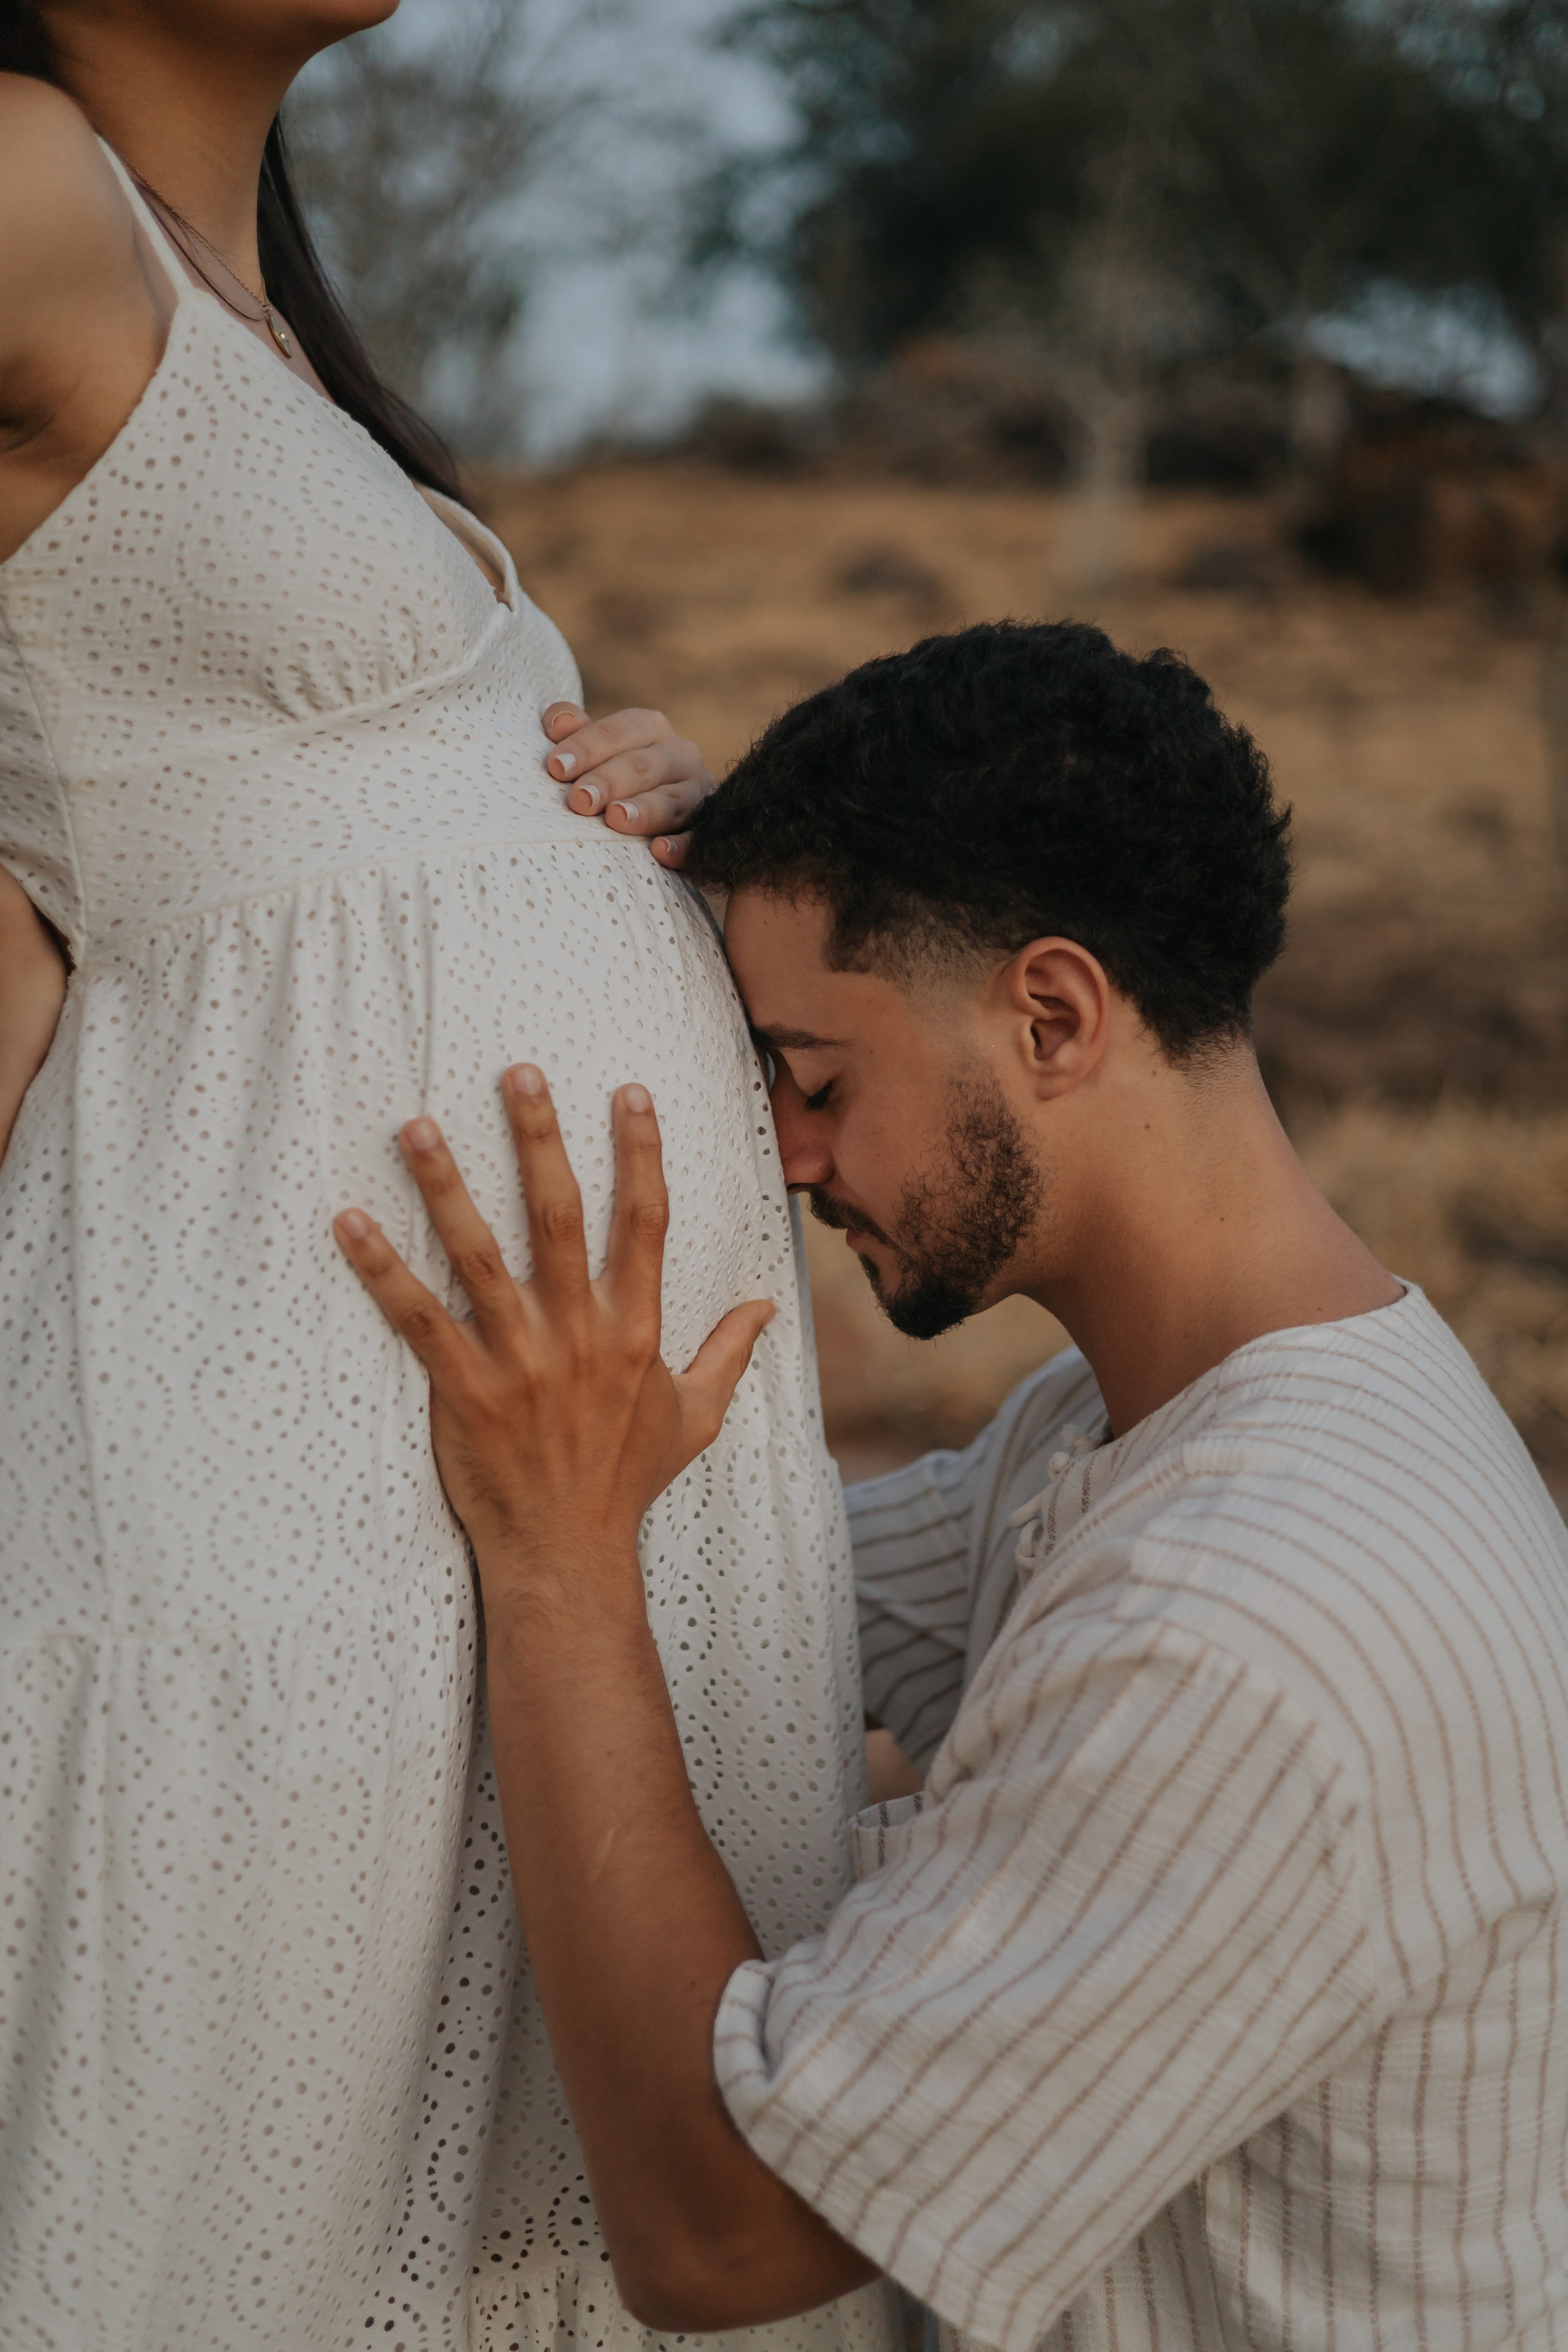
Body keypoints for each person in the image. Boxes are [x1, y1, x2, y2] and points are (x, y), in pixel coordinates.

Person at [339, 620, 1568, 2352]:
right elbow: (754, 1610)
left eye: (813, 1075)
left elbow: (720, 2234)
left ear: (1053, 1014)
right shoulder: (1139, 1421)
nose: (776, 1145)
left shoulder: (1250, 1621)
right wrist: (659, 891)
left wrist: (563, 1567)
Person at [0, 12, 895, 2352]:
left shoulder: (253, 311)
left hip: (546, 1491)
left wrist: (628, 829)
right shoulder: (20, 181)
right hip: (289, 1451)